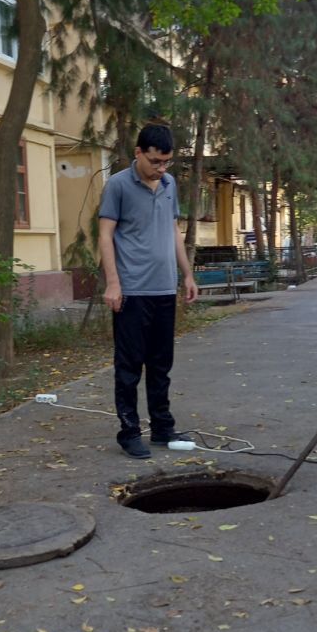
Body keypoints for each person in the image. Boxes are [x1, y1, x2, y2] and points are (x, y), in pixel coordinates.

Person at [98, 122, 199, 458]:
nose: (161, 169)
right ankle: (128, 432)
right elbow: (105, 235)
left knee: (161, 364)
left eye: (166, 162)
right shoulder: (118, 185)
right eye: (155, 161)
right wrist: (113, 283)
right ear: (138, 153)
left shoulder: (169, 184)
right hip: (131, 292)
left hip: (163, 290)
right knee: (128, 367)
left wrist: (186, 274)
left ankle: (162, 427)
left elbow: (172, 232)